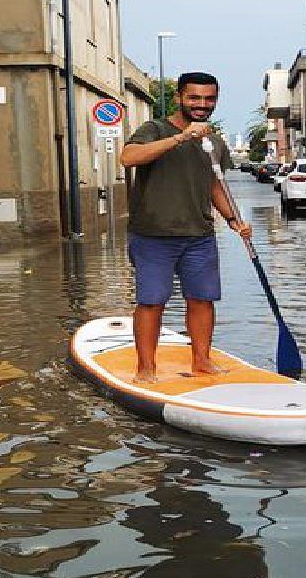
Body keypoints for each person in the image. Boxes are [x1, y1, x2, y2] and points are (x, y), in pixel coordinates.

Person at [120, 72, 252, 383]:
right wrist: (182, 138)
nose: (202, 105)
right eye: (194, 98)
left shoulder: (215, 142)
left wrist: (234, 219)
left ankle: (202, 362)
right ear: (180, 97)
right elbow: (128, 158)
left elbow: (215, 186)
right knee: (152, 301)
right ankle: (146, 369)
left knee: (202, 299)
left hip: (199, 236)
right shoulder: (154, 129)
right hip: (153, 235)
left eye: (209, 99)